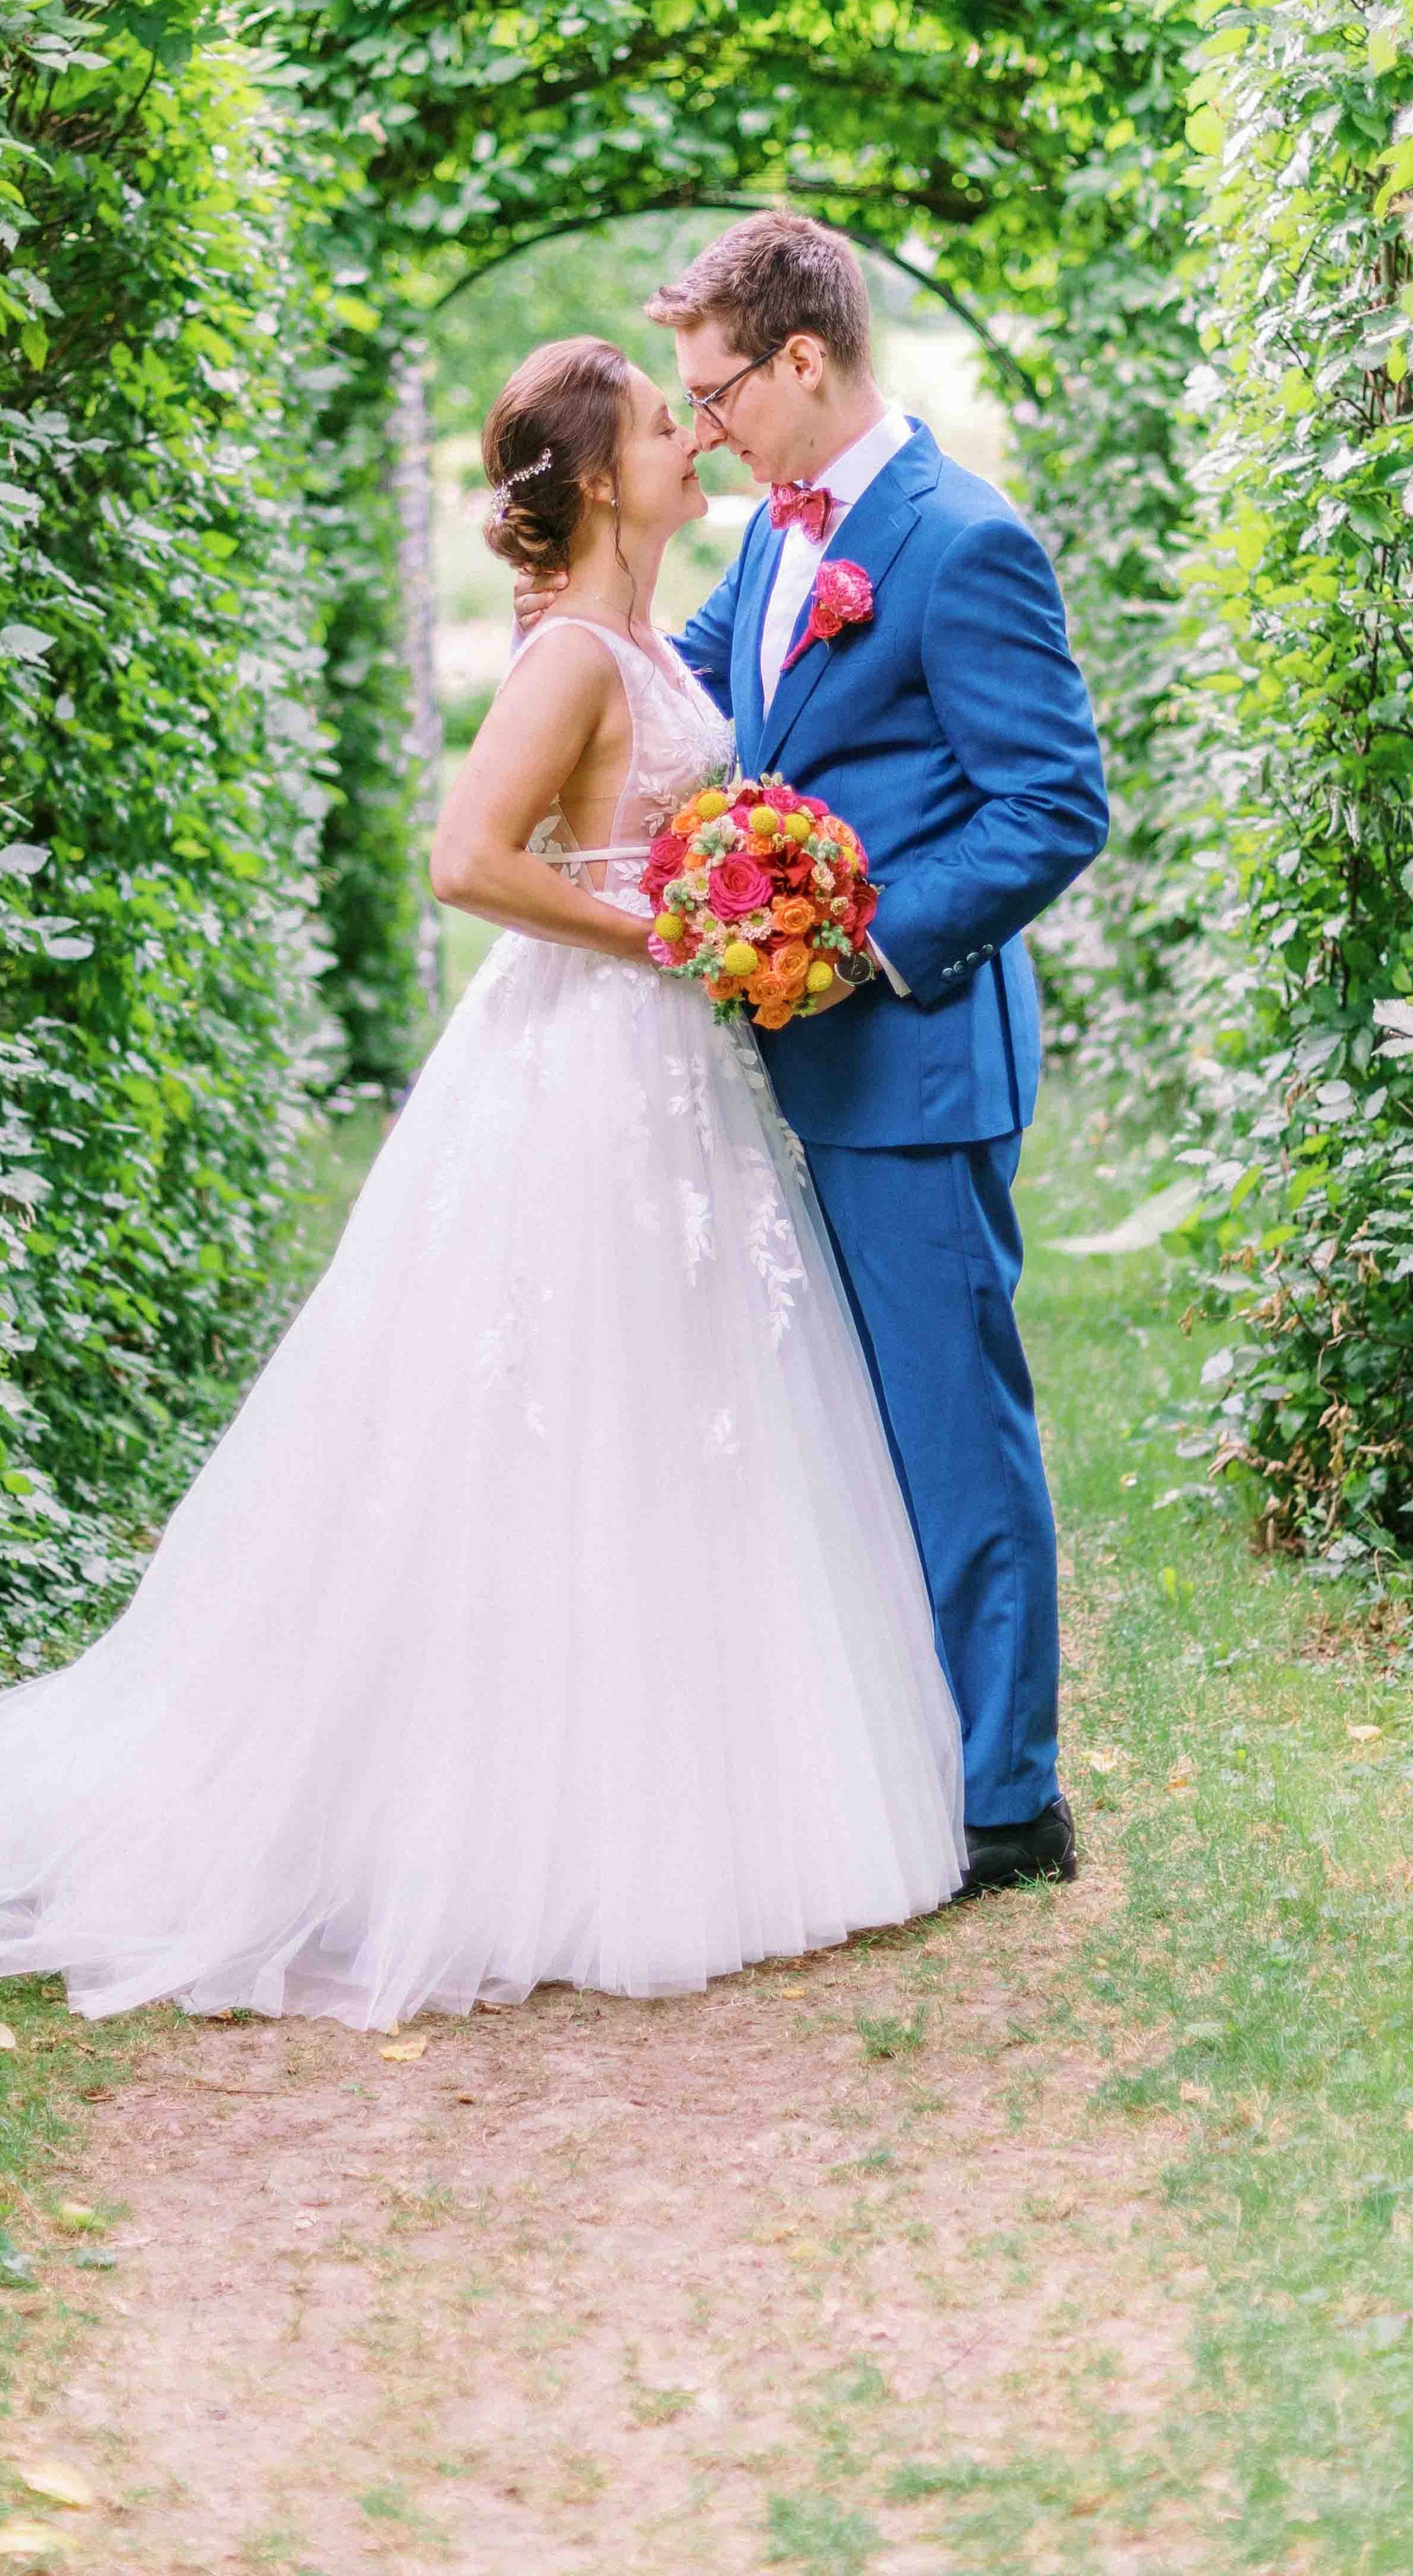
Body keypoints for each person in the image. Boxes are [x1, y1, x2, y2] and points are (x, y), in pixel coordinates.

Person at [0, 335, 965, 2032]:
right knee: (550, 1406)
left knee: (686, 1404)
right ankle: (487, 1821)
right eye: (657, 428)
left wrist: (733, 910)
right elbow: (469, 859)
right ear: (602, 477)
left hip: (674, 1073)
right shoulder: (565, 663)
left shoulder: (641, 643)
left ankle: (684, 1795)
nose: (693, 446)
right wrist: (679, 928)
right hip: (586, 1063)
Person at [518, 216, 1109, 1895]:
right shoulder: (782, 539)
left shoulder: (959, 540)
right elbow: (682, 703)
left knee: (944, 1423)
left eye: (715, 393)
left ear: (804, 360)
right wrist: (562, 630)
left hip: (909, 1062)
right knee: (814, 1433)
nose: (698, 427)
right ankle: (882, 1761)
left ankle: (1007, 1796)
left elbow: (1052, 807)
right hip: (759, 1071)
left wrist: (856, 941)